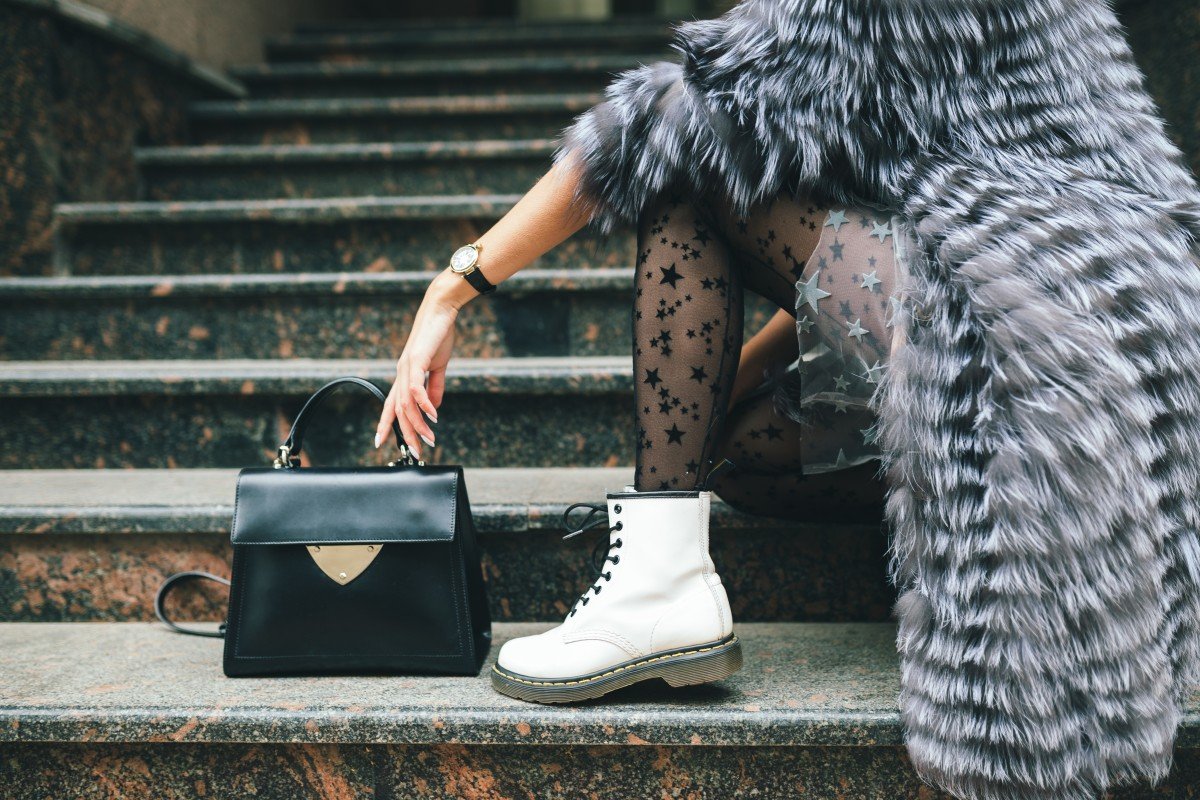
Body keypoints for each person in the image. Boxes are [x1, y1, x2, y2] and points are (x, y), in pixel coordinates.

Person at [377, 1, 1200, 798]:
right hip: (1132, 328)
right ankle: (909, 528)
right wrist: (703, 402)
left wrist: (453, 288)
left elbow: (670, 115)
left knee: (687, 167)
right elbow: (875, 206)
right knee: (744, 452)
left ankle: (658, 589)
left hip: (1008, 316)